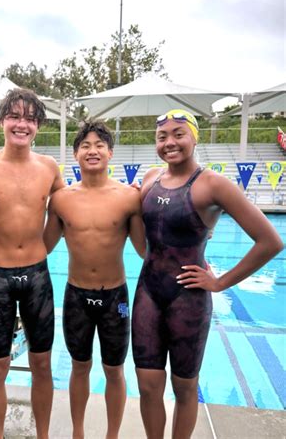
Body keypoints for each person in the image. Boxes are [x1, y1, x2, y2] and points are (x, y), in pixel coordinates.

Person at [131, 109, 284, 439]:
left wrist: (220, 282)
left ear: (194, 137)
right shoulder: (149, 178)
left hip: (188, 299)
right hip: (148, 291)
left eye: (178, 134)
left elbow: (270, 241)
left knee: (184, 387)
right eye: (162, 137)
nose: (170, 142)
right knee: (147, 385)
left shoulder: (213, 184)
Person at [0, 88, 64, 439]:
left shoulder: (49, 168)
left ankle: (44, 435)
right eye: (15, 117)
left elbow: (67, 213)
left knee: (43, 364)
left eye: (30, 119)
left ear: (38, 126)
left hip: (38, 275)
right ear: (2, 121)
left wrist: (41, 248)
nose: (22, 124)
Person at [43, 120, 146, 439]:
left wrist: (198, 234)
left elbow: (145, 250)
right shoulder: (61, 199)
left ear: (110, 153)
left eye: (99, 145)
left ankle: (112, 434)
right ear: (75, 154)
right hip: (76, 296)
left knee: (114, 370)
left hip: (116, 298)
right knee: (79, 366)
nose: (92, 150)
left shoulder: (130, 197)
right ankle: (78, 432)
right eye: (85, 145)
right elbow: (43, 246)